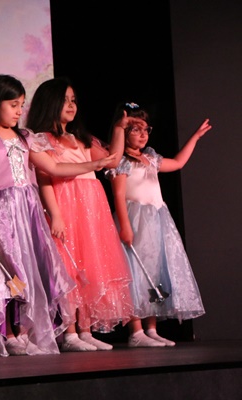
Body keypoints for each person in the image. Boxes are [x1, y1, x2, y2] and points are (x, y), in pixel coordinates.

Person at [0, 74, 116, 357]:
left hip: (26, 209)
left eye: (21, 105)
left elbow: (53, 168)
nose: (19, 111)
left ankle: (23, 332)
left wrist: (95, 163)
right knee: (4, 271)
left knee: (27, 270)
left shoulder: (26, 138)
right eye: (13, 105)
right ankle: (8, 333)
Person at [26, 77, 134, 352]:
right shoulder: (42, 139)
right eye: (65, 100)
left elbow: (112, 160)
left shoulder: (82, 138)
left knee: (90, 263)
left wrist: (119, 129)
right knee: (69, 265)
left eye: (73, 100)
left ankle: (86, 329)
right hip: (66, 202)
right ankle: (70, 332)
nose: (71, 105)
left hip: (91, 205)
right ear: (50, 103)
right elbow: (45, 179)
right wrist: (55, 214)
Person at [107, 102, 208, 347]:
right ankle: (136, 331)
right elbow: (119, 195)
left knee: (152, 272)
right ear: (123, 131)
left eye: (146, 129)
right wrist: (124, 225)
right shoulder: (121, 160)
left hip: (156, 221)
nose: (143, 135)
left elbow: (177, 163)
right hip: (134, 219)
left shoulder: (150, 158)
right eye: (136, 129)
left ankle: (151, 328)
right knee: (134, 272)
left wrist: (194, 137)